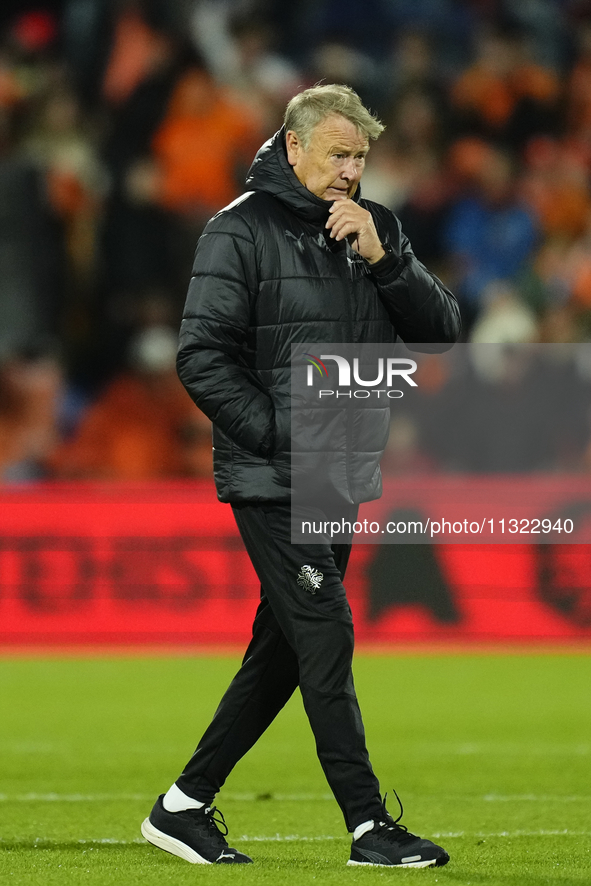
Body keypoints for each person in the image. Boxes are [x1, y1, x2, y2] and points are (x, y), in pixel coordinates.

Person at [141, 84, 460, 868]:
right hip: (274, 473)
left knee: (282, 651)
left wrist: (385, 263)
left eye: (360, 158)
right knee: (325, 634)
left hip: (341, 473)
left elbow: (444, 333)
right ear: (293, 146)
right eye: (337, 155)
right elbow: (200, 357)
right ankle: (366, 826)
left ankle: (182, 805)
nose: (351, 171)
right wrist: (282, 435)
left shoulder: (374, 230)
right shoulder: (238, 231)